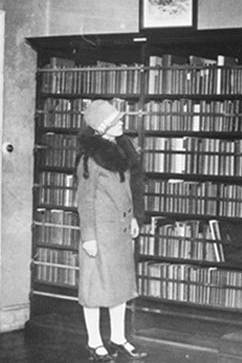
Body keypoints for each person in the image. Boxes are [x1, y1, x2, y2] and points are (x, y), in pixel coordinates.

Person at [75, 100, 147, 362]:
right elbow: (85, 201)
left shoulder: (121, 151)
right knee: (94, 289)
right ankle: (94, 342)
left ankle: (118, 337)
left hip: (121, 230)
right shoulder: (90, 160)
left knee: (120, 288)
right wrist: (89, 237)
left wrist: (135, 219)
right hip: (99, 234)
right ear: (101, 129)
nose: (122, 124)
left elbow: (128, 190)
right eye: (116, 121)